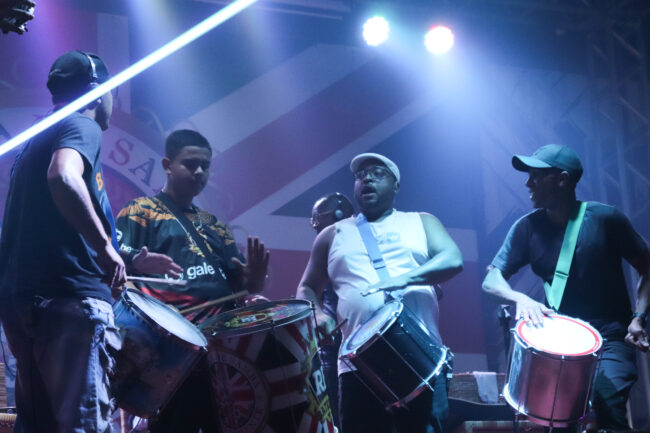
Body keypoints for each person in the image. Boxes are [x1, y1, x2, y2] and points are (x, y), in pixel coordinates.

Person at [482, 144, 650, 430]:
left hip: (611, 337)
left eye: (536, 176)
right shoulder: (526, 228)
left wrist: (638, 318)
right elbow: (491, 280)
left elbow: (647, 268)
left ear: (562, 179)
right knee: (555, 420)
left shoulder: (606, 219)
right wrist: (519, 298)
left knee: (606, 400)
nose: (528, 183)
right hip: (561, 342)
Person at [0, 50, 125, 433]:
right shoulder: (81, 124)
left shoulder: (35, 140)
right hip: (70, 302)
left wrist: (129, 256)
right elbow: (63, 177)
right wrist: (105, 247)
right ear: (98, 90)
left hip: (24, 304)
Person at [115, 129, 270, 433]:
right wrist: (135, 259)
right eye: (190, 164)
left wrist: (255, 279)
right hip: (171, 352)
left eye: (205, 166)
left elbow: (242, 287)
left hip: (219, 351)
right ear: (167, 165)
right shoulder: (140, 211)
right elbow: (112, 256)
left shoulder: (215, 225)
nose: (199, 171)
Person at [296, 152, 463, 433]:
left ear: (396, 185)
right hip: (357, 367)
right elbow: (307, 287)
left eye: (378, 173)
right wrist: (318, 315)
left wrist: (404, 279)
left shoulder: (422, 222)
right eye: (361, 176)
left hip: (421, 359)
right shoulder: (332, 235)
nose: (367, 179)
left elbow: (452, 259)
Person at [309, 192, 355, 428]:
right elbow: (309, 290)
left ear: (340, 215)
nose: (317, 231)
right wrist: (317, 315)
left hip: (363, 342)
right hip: (332, 347)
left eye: (320, 223)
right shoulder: (325, 249)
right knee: (337, 417)